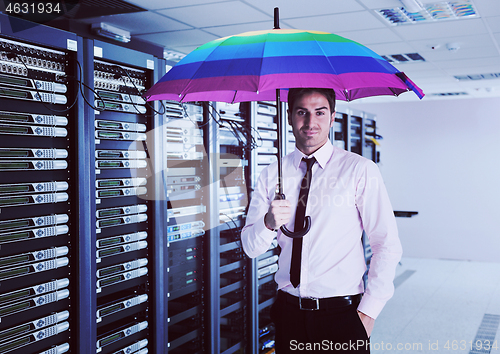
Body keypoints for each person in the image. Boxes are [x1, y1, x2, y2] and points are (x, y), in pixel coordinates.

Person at [241, 87, 402, 353]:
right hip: (288, 311)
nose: (310, 122)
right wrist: (268, 222)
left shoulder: (359, 170)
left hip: (341, 314)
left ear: (333, 116)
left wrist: (369, 313)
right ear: (290, 116)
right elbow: (250, 247)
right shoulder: (272, 174)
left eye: (320, 112)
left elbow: (387, 244)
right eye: (302, 112)